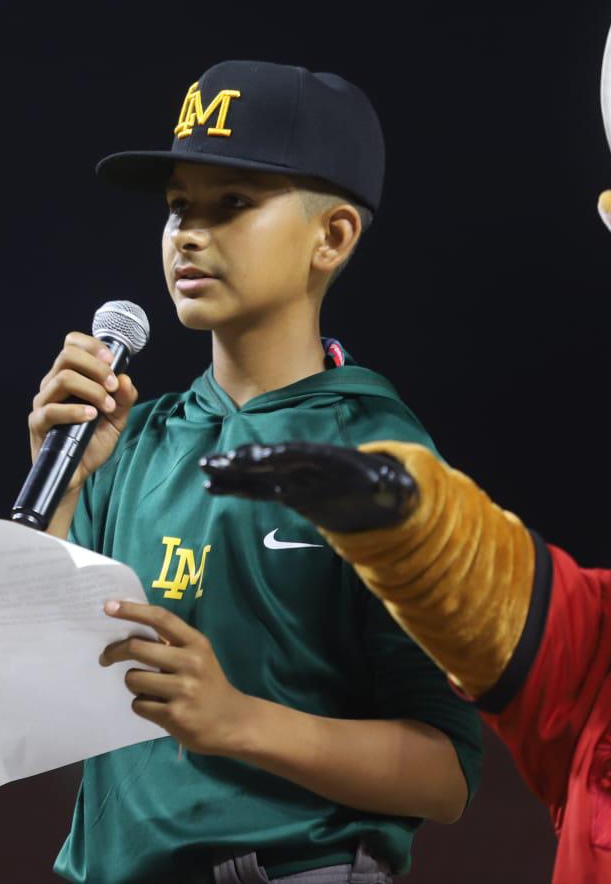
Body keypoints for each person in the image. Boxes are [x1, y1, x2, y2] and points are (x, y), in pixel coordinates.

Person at [27, 60, 482, 884]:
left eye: (232, 204)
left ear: (332, 236)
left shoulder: (380, 458)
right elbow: (49, 696)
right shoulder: (132, 439)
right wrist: (56, 488)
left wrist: (238, 721)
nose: (189, 235)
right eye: (177, 208)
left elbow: (445, 771)